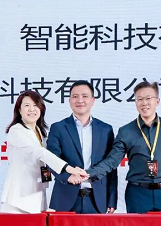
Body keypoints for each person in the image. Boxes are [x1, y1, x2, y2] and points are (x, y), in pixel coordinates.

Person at [87, 81, 161, 213]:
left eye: (148, 98)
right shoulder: (126, 131)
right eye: (139, 99)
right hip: (137, 194)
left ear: (157, 101)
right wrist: (89, 173)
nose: (144, 103)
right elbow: (112, 161)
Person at [1, 90, 88, 213]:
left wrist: (68, 175)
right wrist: (69, 169)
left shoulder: (41, 132)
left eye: (35, 105)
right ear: (19, 110)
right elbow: (40, 152)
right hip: (18, 200)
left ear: (41, 109)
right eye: (27, 105)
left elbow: (49, 160)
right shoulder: (16, 130)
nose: (32, 109)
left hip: (37, 196)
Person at [47, 80, 118, 214]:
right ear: (69, 101)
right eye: (75, 96)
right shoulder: (58, 128)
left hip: (97, 200)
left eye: (85, 96)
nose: (80, 100)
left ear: (92, 100)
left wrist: (111, 200)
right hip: (65, 198)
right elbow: (51, 160)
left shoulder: (105, 129)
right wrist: (67, 176)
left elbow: (111, 166)